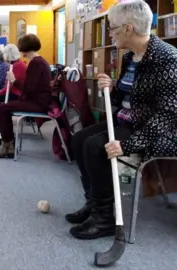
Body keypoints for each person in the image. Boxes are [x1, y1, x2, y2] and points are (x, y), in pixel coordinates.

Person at [66, 0, 177, 240]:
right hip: (128, 122)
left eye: (112, 28)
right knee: (78, 139)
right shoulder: (130, 57)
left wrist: (129, 145)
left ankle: (105, 219)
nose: (110, 33)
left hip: (157, 131)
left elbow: (168, 115)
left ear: (128, 28)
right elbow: (120, 99)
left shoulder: (168, 59)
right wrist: (111, 87)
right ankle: (94, 203)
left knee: (95, 146)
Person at [0, 34, 51, 158]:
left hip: (38, 103)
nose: (22, 54)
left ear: (26, 49)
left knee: (1, 108)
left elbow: (28, 90)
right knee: (3, 107)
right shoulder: (39, 61)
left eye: (23, 50)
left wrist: (14, 80)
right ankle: (7, 144)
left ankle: (7, 146)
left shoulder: (36, 64)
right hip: (39, 100)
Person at [0, 44, 27, 137]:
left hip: (18, 95)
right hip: (14, 92)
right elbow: (8, 84)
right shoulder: (14, 64)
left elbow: (11, 86)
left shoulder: (17, 66)